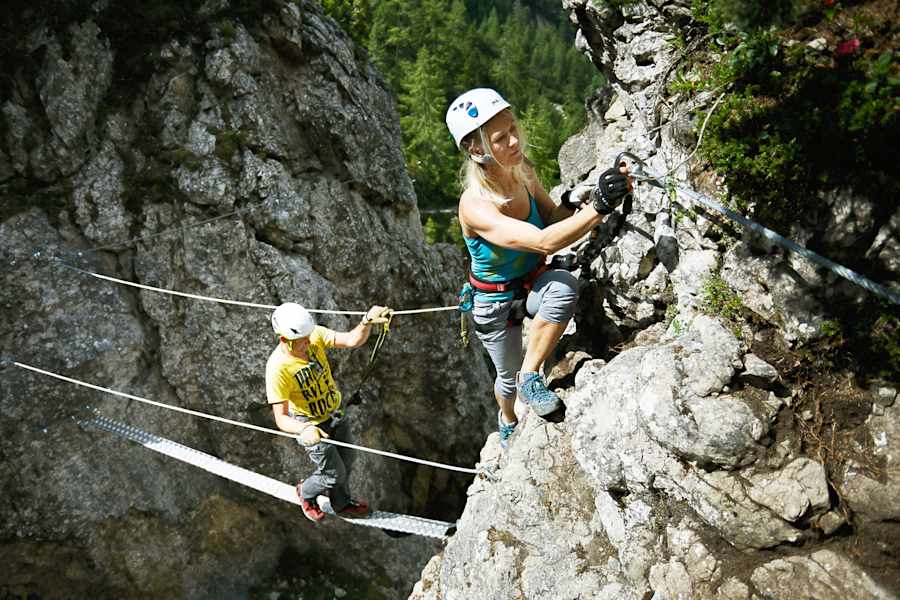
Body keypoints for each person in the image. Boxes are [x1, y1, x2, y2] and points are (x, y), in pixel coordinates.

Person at [445, 88, 630, 448]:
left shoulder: (522, 170)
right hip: (493, 303)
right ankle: (508, 417)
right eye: (501, 138)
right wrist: (600, 208)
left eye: (513, 128)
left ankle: (533, 377)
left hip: (531, 283)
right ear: (476, 148)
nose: (514, 141)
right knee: (506, 379)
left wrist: (581, 201)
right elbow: (544, 242)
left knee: (563, 288)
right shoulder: (475, 206)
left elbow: (551, 219)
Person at [266, 302, 393, 522]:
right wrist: (304, 429)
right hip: (309, 423)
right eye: (301, 341)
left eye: (308, 337)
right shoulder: (278, 368)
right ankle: (305, 493)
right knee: (333, 474)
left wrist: (366, 321)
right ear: (284, 339)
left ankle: (341, 504)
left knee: (348, 459)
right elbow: (281, 418)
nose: (308, 342)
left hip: (334, 413)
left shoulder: (313, 335)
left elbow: (352, 340)